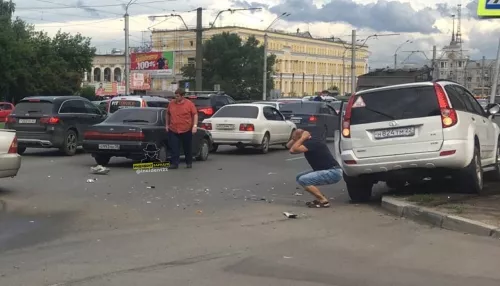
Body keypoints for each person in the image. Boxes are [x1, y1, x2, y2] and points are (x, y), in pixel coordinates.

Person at [287, 129, 342, 208]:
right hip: (326, 170)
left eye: (296, 139)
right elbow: (289, 147)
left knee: (303, 179)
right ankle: (320, 198)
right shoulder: (308, 141)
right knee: (299, 177)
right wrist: (295, 138)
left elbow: (293, 149)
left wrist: (302, 138)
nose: (295, 141)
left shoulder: (312, 142)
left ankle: (323, 201)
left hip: (333, 172)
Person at [165, 88, 198, 169]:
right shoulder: (171, 104)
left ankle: (188, 162)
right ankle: (175, 163)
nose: (176, 98)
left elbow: (195, 114)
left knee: (187, 147)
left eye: (177, 96)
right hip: (174, 129)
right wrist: (166, 125)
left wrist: (194, 126)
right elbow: (168, 114)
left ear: (182, 96)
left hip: (186, 129)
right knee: (174, 147)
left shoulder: (189, 104)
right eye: (175, 96)